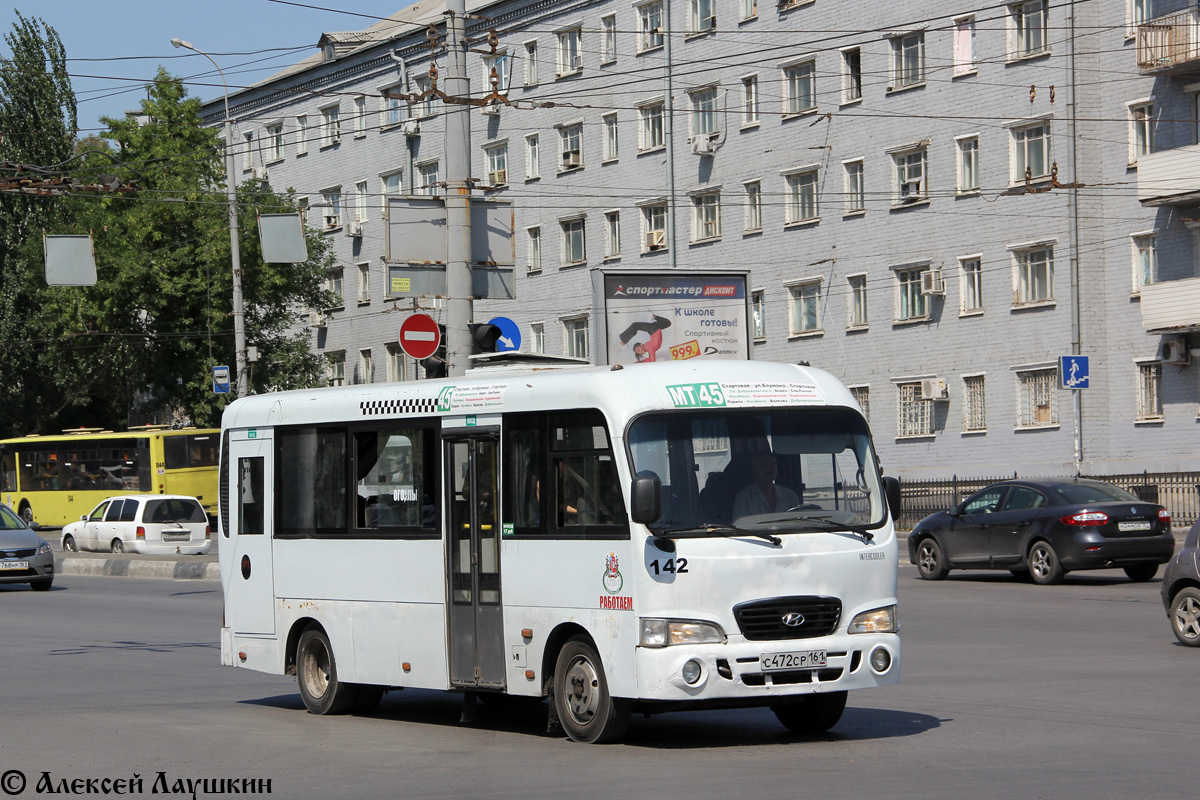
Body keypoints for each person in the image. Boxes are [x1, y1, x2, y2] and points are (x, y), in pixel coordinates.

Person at [732, 450, 800, 519]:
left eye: (773, 464)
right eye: (764, 465)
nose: (770, 469)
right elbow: (741, 526)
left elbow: (797, 524)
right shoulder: (744, 498)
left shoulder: (790, 495)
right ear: (754, 469)